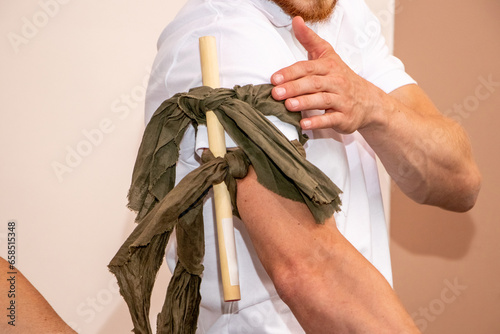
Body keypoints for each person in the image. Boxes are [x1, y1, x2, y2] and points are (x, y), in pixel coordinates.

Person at [143, 0, 481, 332]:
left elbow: (460, 181)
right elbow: (310, 269)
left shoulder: (347, 14)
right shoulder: (223, 36)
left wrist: (374, 106)